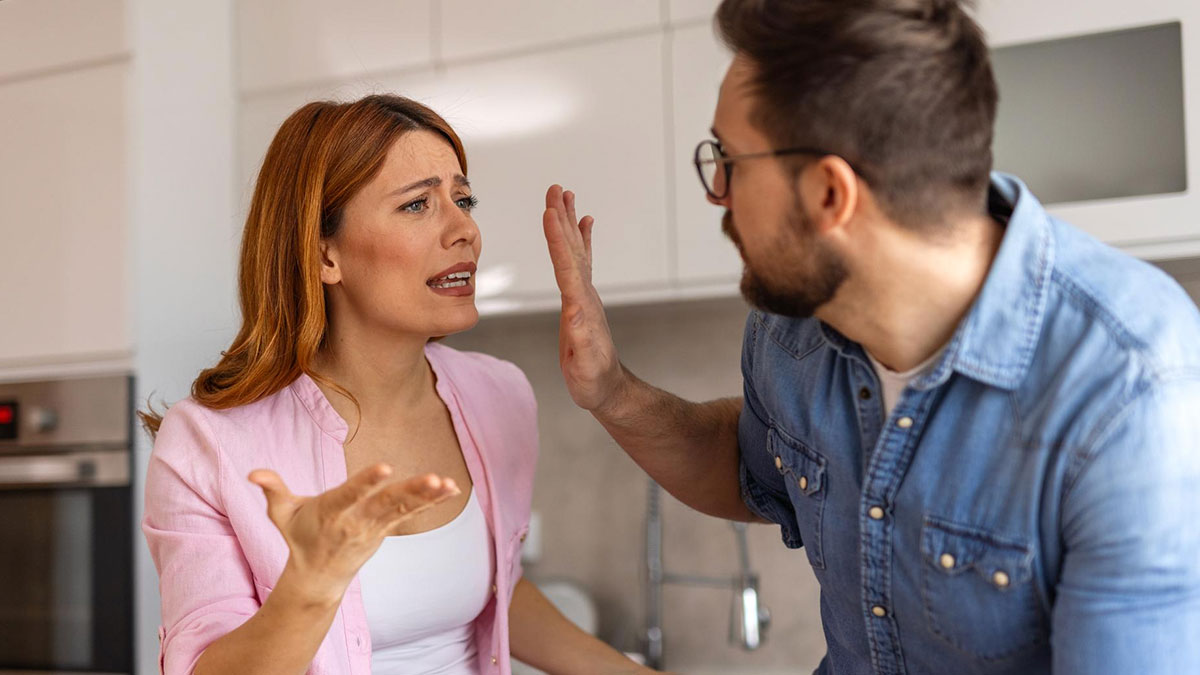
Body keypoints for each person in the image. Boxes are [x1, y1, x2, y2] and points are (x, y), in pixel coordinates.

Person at [540, 1, 1200, 673]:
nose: (719, 194)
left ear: (831, 194)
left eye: (731, 161)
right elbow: (748, 467)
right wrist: (612, 390)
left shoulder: (1131, 385)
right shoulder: (792, 329)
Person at [142, 94, 656, 675]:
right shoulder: (208, 442)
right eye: (418, 205)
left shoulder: (498, 395)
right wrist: (310, 587)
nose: (464, 229)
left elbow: (497, 592)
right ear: (324, 254)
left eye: (463, 199)